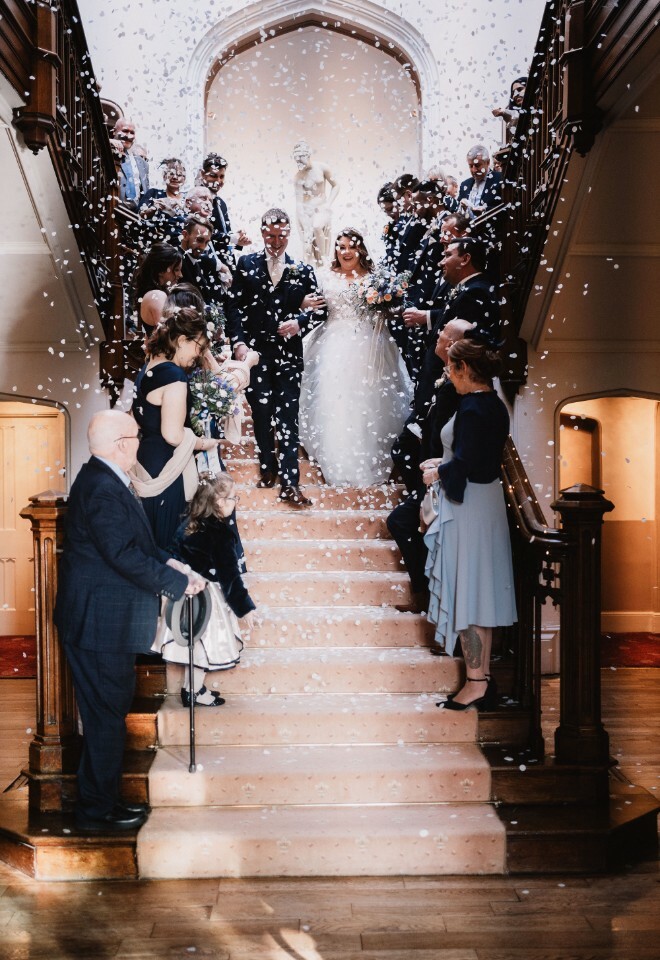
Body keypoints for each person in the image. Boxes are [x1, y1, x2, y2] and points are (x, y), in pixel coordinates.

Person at [54, 410, 204, 833]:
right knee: (104, 719)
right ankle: (95, 813)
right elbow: (121, 556)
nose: (141, 441)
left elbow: (138, 544)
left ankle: (102, 803)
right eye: (137, 435)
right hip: (98, 625)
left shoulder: (107, 480)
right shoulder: (102, 487)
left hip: (105, 622)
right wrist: (176, 583)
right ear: (121, 443)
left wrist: (173, 562)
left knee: (108, 716)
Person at [422, 338, 517, 708]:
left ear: (463, 369)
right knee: (476, 592)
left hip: (471, 508)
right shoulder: (490, 404)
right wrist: (440, 465)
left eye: (450, 369)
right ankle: (481, 678)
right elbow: (469, 457)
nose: (448, 375)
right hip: (482, 503)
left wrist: (436, 474)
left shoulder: (475, 408)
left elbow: (469, 465)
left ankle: (476, 682)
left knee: (471, 593)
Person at [226, 207, 326, 505]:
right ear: (261, 233)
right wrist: (238, 343)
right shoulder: (246, 264)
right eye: (270, 235)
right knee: (261, 413)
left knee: (288, 416)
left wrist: (300, 323)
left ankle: (290, 483)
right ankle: (267, 467)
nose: (275, 241)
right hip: (256, 353)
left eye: (281, 235)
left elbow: (321, 309)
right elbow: (233, 307)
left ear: (289, 233)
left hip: (289, 355)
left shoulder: (302, 269)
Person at [299, 227, 413, 486]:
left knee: (371, 401)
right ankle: (337, 457)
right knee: (335, 400)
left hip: (370, 345)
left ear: (361, 249)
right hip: (332, 345)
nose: (346, 252)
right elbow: (315, 310)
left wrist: (388, 307)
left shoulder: (376, 278)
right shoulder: (325, 276)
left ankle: (370, 455)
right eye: (341, 247)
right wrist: (303, 306)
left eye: (352, 246)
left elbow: (394, 311)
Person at [387, 319, 472, 618]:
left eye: (444, 333)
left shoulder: (457, 389)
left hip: (442, 479)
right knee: (403, 523)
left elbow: (448, 437)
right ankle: (423, 594)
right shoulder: (446, 378)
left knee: (403, 523)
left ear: (451, 346)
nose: (438, 334)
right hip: (431, 475)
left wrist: (435, 473)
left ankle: (430, 603)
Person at [154, 473, 256, 707]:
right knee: (204, 643)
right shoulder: (221, 533)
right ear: (220, 502)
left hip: (180, 591)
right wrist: (244, 608)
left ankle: (193, 689)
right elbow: (230, 577)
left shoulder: (190, 523)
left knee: (193, 642)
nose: (236, 502)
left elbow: (172, 555)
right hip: (204, 595)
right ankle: (194, 691)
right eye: (234, 498)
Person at [130, 308, 220, 549]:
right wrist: (203, 443)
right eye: (198, 346)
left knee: (152, 543)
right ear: (182, 340)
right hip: (167, 471)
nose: (199, 354)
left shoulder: (148, 369)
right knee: (169, 546)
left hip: (147, 464)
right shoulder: (174, 375)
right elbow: (172, 435)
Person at [199, 153, 251, 268]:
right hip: (208, 266)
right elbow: (202, 234)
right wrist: (232, 238)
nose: (218, 181)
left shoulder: (221, 203)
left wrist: (238, 238)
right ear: (203, 174)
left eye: (221, 176)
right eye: (213, 175)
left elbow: (224, 233)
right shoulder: (196, 200)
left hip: (227, 263)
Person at [293, 140, 340, 266]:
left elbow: (336, 185)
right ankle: (317, 264)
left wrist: (328, 204)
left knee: (317, 226)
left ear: (307, 155)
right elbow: (299, 203)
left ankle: (324, 258)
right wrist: (303, 221)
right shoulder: (298, 177)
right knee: (308, 247)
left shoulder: (322, 167)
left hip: (322, 208)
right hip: (306, 210)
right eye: (296, 159)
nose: (299, 161)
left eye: (301, 157)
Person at [132, 242, 183, 333]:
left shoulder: (156, 293)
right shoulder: (157, 295)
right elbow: (168, 333)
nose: (180, 275)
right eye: (176, 270)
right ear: (160, 271)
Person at [139, 158, 188, 242]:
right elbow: (139, 215)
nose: (175, 177)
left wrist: (180, 207)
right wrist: (155, 208)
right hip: (157, 241)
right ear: (164, 176)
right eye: (171, 174)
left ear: (184, 179)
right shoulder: (153, 193)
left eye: (179, 175)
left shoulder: (188, 197)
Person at [112, 117, 149, 209]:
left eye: (132, 133)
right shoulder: (106, 151)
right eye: (125, 131)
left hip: (136, 214)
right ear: (114, 132)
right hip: (114, 209)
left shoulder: (142, 163)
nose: (129, 136)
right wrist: (108, 141)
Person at [458, 145, 503, 218]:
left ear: (487, 162)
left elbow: (506, 209)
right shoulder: (464, 185)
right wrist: (462, 208)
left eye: (477, 165)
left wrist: (485, 211)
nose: (474, 170)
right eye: (471, 166)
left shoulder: (500, 179)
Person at [492, 77, 527, 142]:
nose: (515, 94)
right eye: (513, 93)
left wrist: (504, 112)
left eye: (519, 89)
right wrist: (503, 113)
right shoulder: (514, 113)